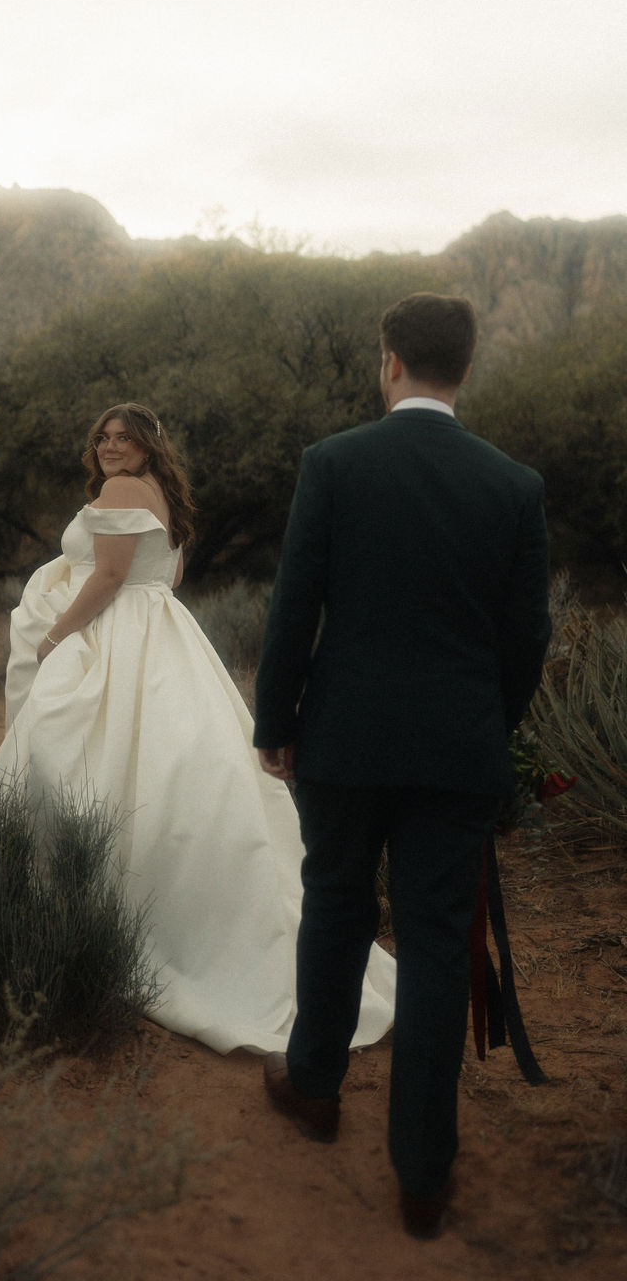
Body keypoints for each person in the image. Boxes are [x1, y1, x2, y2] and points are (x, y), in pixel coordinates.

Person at [253, 293, 551, 1238]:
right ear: (464, 369)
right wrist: (483, 728)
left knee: (336, 906)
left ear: (390, 362)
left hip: (342, 742)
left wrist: (277, 719)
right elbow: (525, 642)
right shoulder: (514, 487)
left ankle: (314, 1086)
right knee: (432, 945)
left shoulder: (334, 463)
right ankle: (423, 1173)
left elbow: (295, 605)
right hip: (455, 751)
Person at [0, 401, 395, 1055]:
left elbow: (115, 575)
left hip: (117, 637)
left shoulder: (122, 491)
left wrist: (56, 634)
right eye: (103, 436)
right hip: (167, 637)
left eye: (124, 438)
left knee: (76, 756)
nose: (110, 447)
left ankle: (90, 906)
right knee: (166, 765)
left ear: (148, 446)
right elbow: (166, 577)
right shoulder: (166, 498)